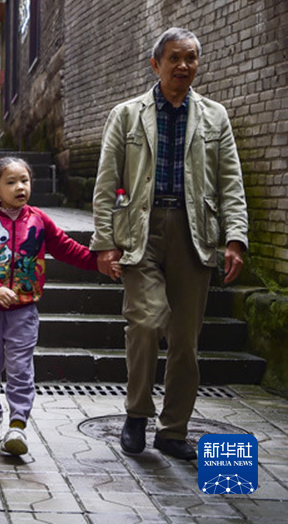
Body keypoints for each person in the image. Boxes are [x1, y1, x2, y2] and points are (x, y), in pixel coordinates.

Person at [91, 27, 249, 461]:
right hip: (140, 231)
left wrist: (236, 239)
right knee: (144, 322)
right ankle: (137, 412)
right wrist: (104, 242)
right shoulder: (126, 115)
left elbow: (230, 182)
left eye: (192, 58)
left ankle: (173, 429)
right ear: (155, 63)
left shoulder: (215, 117)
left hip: (195, 232)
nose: (184, 66)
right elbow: (107, 183)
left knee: (185, 340)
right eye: (175, 58)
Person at [0, 157, 111, 455]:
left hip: (24, 310)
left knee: (21, 367)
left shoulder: (39, 220)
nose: (20, 187)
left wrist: (96, 261)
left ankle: (17, 425)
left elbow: (66, 247)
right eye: (11, 182)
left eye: (25, 180)